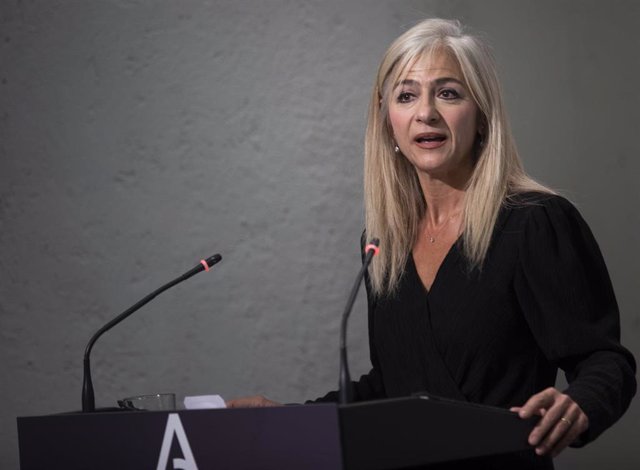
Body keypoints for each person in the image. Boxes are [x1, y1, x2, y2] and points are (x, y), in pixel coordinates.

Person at [226, 19, 636, 469]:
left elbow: (604, 360)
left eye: (448, 93)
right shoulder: (384, 244)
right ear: (387, 122)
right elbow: (393, 387)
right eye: (406, 96)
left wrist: (580, 403)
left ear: (481, 114)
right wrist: (289, 420)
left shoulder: (535, 223)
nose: (426, 113)